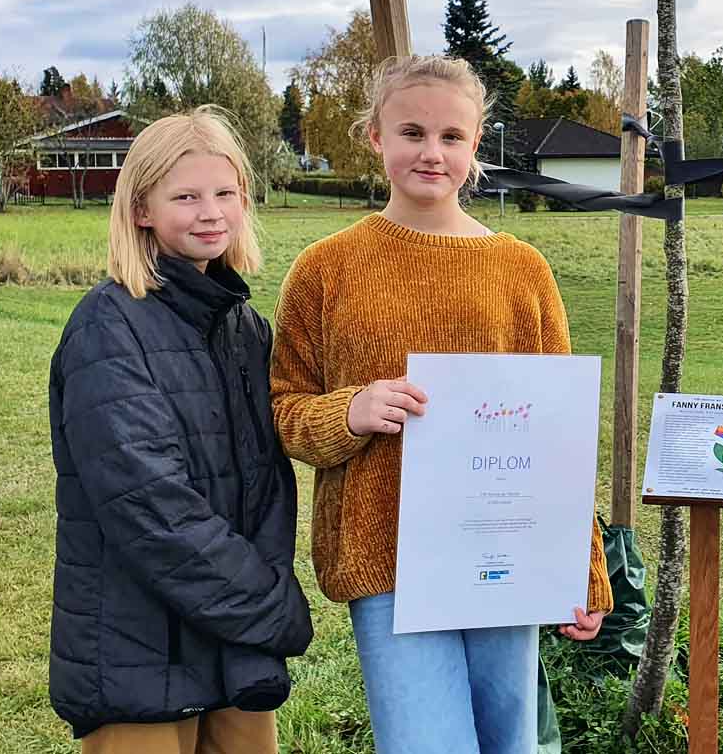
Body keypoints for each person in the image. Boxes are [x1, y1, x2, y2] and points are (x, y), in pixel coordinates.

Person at [270, 53, 613, 754]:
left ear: (476, 143)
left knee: (508, 742)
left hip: (506, 552)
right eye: (412, 132)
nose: (432, 153)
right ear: (375, 136)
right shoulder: (325, 269)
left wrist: (583, 567)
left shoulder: (522, 271)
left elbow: (560, 433)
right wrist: (349, 413)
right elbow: (284, 409)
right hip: (387, 559)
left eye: (451, 136)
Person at [48, 107, 313, 752]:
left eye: (225, 193)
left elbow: (267, 484)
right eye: (186, 196)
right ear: (141, 209)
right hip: (139, 646)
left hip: (235, 650)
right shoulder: (108, 327)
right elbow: (148, 504)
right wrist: (266, 605)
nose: (211, 212)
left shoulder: (244, 328)